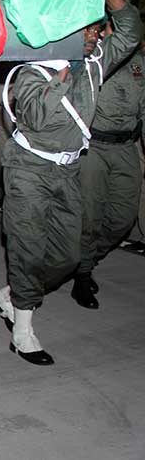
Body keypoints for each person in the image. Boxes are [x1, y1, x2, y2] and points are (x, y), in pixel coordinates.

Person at [0, 0, 141, 366]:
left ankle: (13, 294)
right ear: (64, 33)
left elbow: (129, 29)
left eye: (95, 27)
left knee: (68, 254)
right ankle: (22, 328)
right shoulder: (31, 72)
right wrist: (61, 70)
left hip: (68, 170)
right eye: (85, 29)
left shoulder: (95, 63)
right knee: (27, 247)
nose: (93, 36)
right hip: (29, 170)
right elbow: (37, 116)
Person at [74, 34, 145, 308]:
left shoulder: (139, 63)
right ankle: (82, 274)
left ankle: (87, 259)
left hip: (126, 146)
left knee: (122, 218)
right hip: (95, 147)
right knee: (89, 217)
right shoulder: (94, 59)